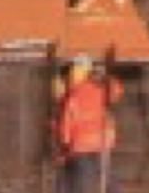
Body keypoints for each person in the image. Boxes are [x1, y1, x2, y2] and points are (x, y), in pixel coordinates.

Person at [55, 53, 124, 193]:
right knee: (106, 177)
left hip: (81, 145)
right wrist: (106, 77)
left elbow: (66, 124)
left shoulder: (72, 97)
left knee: (82, 181)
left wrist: (64, 145)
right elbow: (117, 91)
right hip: (102, 142)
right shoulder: (99, 92)